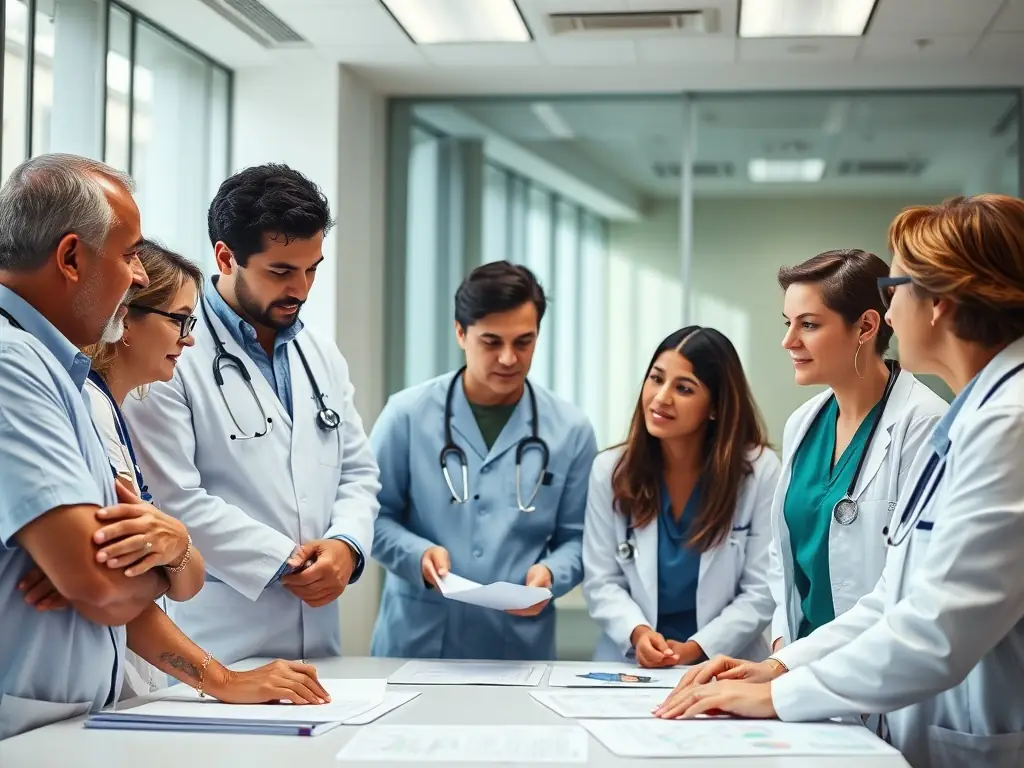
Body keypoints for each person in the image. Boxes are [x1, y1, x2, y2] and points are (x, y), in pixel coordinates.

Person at [655, 194, 1024, 768]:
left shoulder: (1008, 423)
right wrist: (782, 665)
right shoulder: (980, 414)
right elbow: (893, 599)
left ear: (941, 304)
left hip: (965, 727)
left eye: (898, 284)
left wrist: (778, 694)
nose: (890, 304)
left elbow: (936, 632)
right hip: (880, 702)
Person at [0, 154, 325, 742]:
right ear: (72, 257)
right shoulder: (13, 363)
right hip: (29, 721)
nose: (138, 277)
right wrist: (150, 568)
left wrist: (163, 555)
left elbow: (126, 568)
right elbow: (98, 584)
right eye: (128, 255)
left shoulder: (59, 372)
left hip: (69, 717)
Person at [121, 164, 381, 664]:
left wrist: (346, 546)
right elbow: (173, 499)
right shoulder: (168, 357)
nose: (301, 290)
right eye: (281, 271)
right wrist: (286, 561)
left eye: (312, 269)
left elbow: (358, 472)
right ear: (226, 256)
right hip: (218, 638)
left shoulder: (321, 354)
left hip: (318, 641)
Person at [369, 261, 598, 660]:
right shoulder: (406, 415)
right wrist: (417, 554)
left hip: (516, 644)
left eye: (523, 342)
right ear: (461, 333)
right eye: (492, 342)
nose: (509, 358)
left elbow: (579, 538)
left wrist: (552, 575)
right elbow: (369, 515)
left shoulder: (571, 429)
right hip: (417, 641)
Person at [767, 249, 947, 653]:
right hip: (799, 665)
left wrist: (788, 666)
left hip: (877, 671)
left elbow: (910, 584)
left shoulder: (925, 425)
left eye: (808, 325)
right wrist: (783, 646)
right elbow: (782, 559)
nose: (788, 341)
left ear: (866, 326)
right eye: (788, 323)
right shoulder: (803, 424)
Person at [582, 327, 781, 667]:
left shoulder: (760, 471)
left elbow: (762, 590)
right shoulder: (611, 470)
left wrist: (697, 648)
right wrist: (638, 633)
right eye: (656, 379)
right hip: (631, 662)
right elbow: (602, 582)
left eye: (684, 388)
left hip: (723, 662)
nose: (661, 398)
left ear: (716, 405)